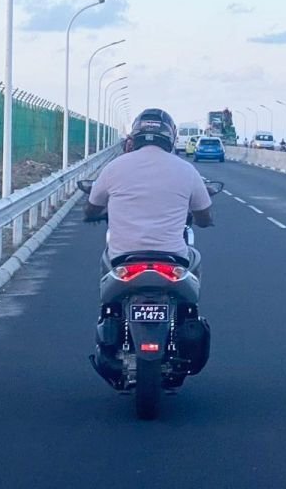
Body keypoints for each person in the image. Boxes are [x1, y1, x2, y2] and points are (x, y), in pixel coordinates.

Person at [84, 109, 215, 376]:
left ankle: (109, 318)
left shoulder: (115, 167)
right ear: (170, 137)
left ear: (135, 136)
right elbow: (204, 215)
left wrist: (95, 215)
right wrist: (201, 220)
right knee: (196, 264)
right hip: (173, 260)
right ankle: (188, 316)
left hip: (123, 258)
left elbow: (92, 207)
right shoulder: (186, 170)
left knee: (105, 281)